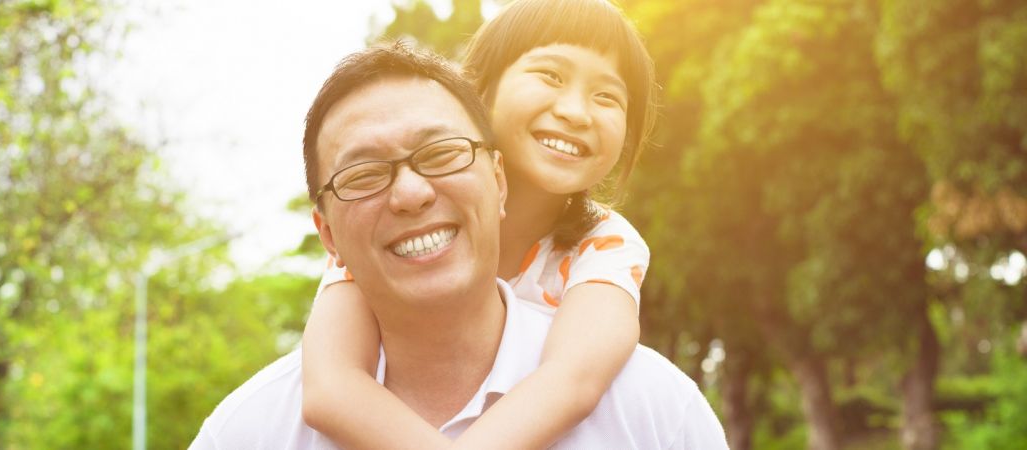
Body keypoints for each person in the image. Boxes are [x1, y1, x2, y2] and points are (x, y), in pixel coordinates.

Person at [188, 42, 727, 449]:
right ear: (328, 235)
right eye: (365, 173)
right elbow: (328, 388)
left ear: (499, 181)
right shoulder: (247, 431)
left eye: (442, 153)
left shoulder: (656, 410)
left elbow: (578, 379)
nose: (411, 193)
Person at [302, 0, 659, 447]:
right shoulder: (390, 232)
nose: (576, 112)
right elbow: (330, 390)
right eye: (551, 75)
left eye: (607, 96)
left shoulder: (605, 244)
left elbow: (574, 380)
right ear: (478, 91)